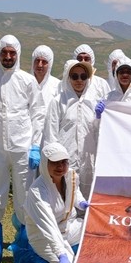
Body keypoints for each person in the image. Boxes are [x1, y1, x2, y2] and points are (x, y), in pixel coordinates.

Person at [0, 35, 46, 263]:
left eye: (12, 52)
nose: (8, 56)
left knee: (24, 200)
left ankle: (25, 249)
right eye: (4, 52)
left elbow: (38, 114)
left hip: (23, 149)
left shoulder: (27, 81)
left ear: (18, 54)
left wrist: (35, 145)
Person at [14, 141, 88, 263]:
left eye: (63, 162)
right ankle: (35, 262)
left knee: (92, 230)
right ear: (45, 163)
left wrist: (82, 203)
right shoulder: (37, 191)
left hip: (67, 228)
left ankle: (71, 253)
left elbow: (75, 191)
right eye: (55, 162)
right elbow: (49, 227)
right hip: (44, 237)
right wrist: (61, 255)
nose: (60, 167)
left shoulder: (70, 175)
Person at [46, 59, 101, 195]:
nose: (79, 80)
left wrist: (100, 118)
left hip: (88, 160)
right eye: (74, 76)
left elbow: (98, 133)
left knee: (87, 197)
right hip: (65, 160)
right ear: (68, 78)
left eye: (83, 76)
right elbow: (51, 133)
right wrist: (55, 161)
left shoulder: (93, 102)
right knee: (66, 196)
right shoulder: (58, 101)